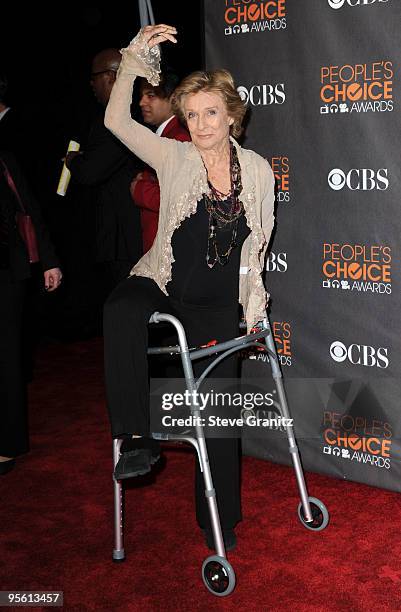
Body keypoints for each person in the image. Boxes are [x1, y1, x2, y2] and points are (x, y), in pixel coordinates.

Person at [103, 25, 275, 550]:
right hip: (165, 288)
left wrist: (253, 306)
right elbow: (115, 120)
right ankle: (136, 438)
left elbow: (256, 249)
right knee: (119, 309)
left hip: (220, 308)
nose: (200, 124)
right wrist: (134, 58)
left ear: (232, 118)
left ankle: (218, 523)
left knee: (219, 428)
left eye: (210, 113)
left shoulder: (259, 171)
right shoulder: (173, 157)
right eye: (192, 114)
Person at [0, 151, 62, 475]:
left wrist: (49, 260)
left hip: (6, 273)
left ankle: (7, 445)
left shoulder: (5, 157)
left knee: (6, 357)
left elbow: (28, 208)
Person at [65, 48, 143, 305]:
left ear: (111, 76)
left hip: (126, 236)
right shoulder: (122, 113)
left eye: (95, 76)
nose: (91, 83)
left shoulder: (118, 117)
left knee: (129, 307)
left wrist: (74, 160)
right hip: (122, 234)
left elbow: (90, 172)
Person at [131, 70, 190, 253]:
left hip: (168, 249)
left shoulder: (178, 138)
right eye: (141, 96)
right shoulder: (166, 134)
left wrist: (139, 189)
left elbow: (179, 198)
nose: (142, 103)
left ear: (173, 98)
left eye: (151, 95)